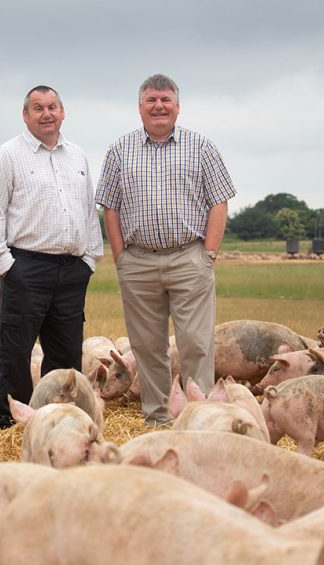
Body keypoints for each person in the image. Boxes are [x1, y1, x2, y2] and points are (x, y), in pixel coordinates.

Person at [95, 74, 236, 425]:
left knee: (195, 343)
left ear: (177, 106)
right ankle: (158, 416)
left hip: (189, 257)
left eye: (166, 100)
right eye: (151, 100)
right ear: (140, 107)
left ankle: (198, 417)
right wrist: (120, 257)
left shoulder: (201, 147)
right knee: (146, 345)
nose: (159, 106)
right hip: (138, 261)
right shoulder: (119, 150)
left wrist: (209, 254)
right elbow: (109, 207)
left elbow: (219, 202)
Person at [0, 85, 104, 429]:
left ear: (63, 112)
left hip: (72, 268)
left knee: (66, 352)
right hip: (26, 266)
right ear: (26, 115)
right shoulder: (8, 155)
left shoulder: (77, 156)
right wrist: (6, 265)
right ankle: (10, 419)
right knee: (17, 349)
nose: (46, 113)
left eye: (52, 106)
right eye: (38, 108)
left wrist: (90, 259)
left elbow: (88, 210)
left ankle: (60, 417)